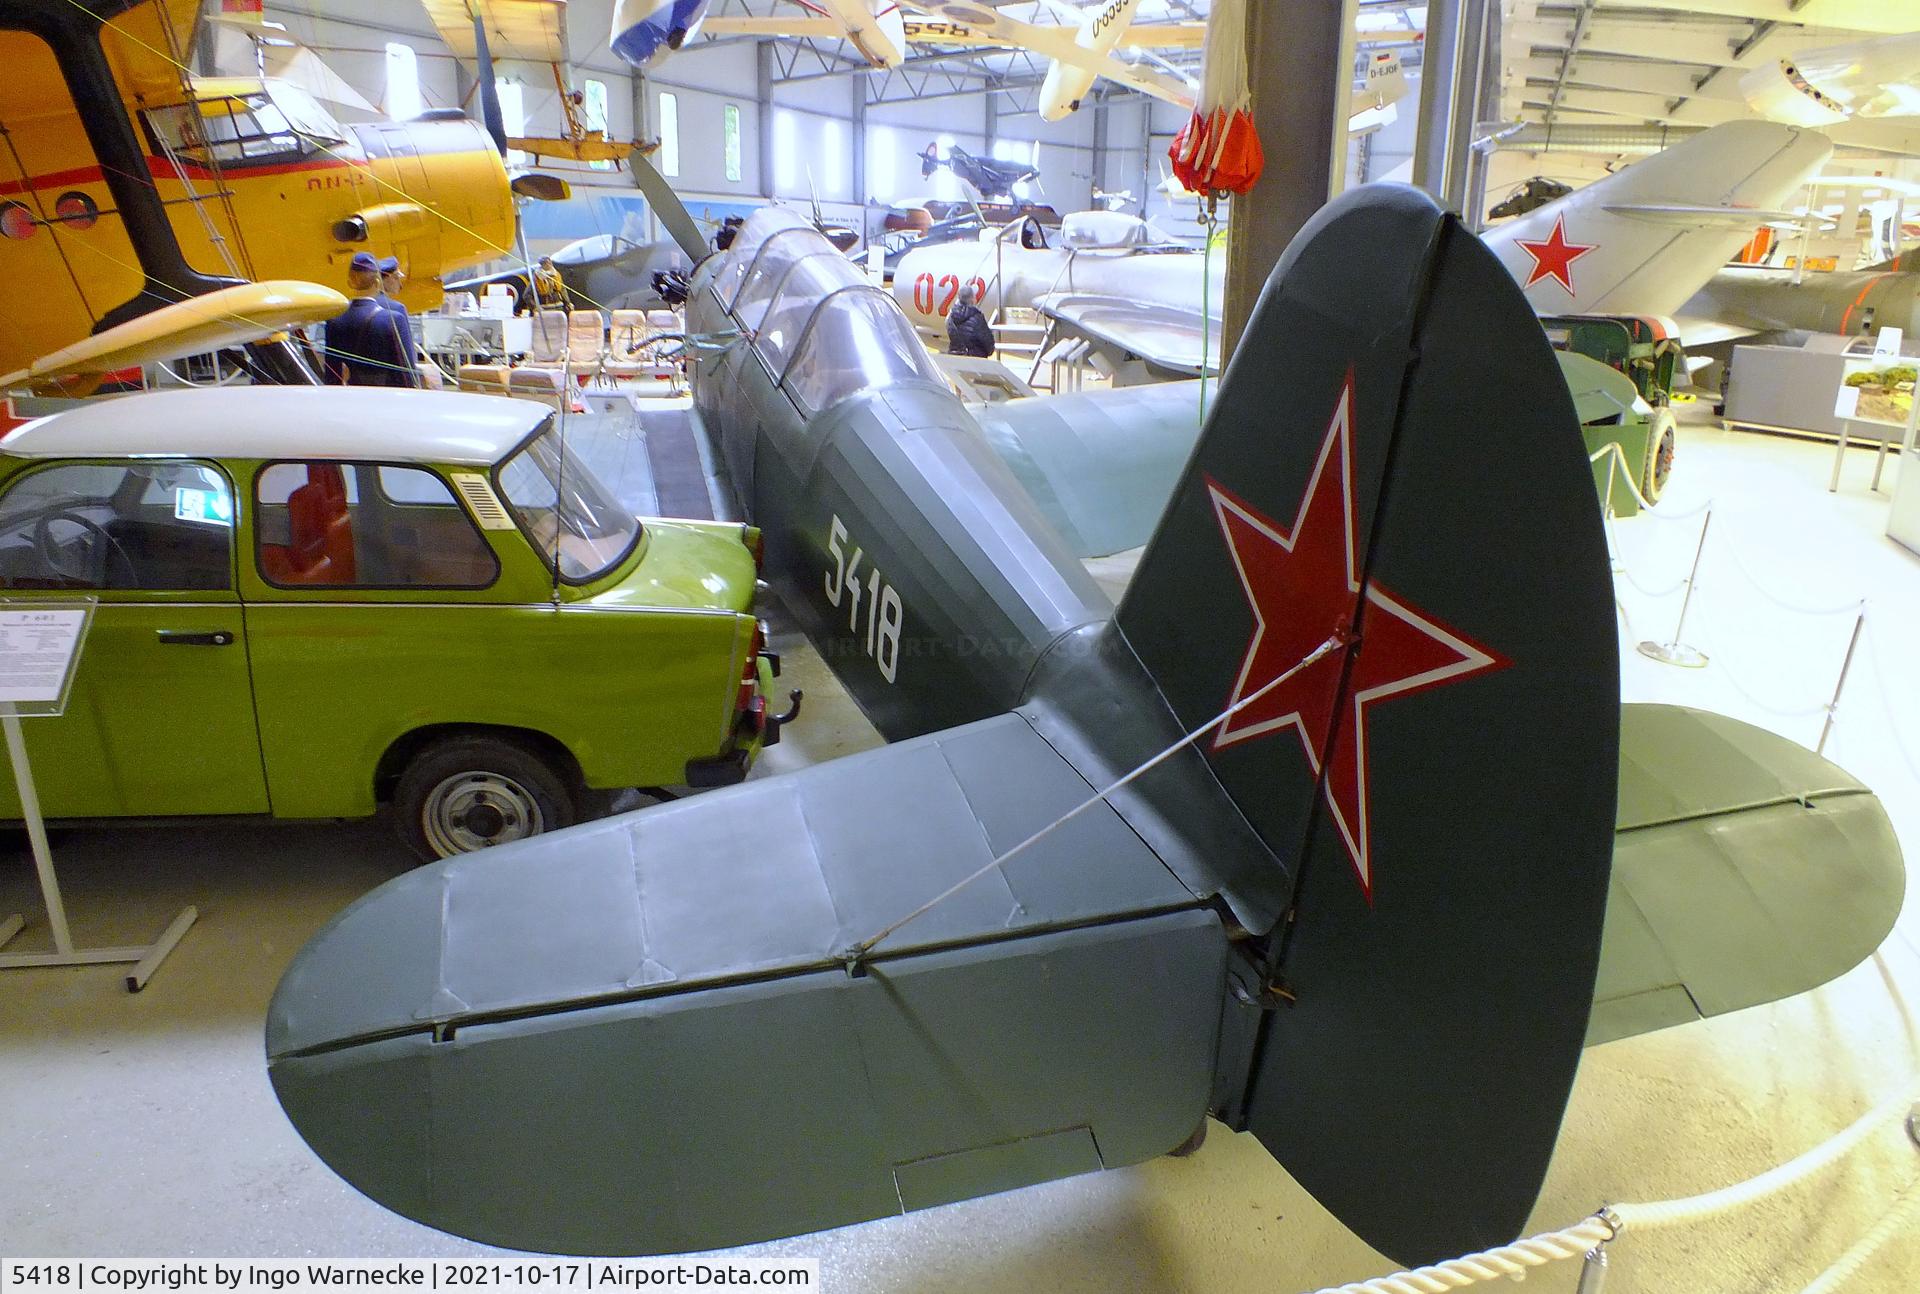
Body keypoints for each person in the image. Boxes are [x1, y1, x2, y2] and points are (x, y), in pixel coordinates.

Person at [321, 251, 415, 387]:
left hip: (353, 396)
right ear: (378, 283)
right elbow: (405, 372)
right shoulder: (393, 319)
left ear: (349, 282)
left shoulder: (334, 320)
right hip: (387, 398)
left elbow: (332, 374)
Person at [375, 255, 421, 388]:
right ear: (387, 278)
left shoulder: (350, 308)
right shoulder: (397, 309)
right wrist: (412, 383)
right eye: (396, 278)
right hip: (391, 382)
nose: (399, 284)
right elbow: (405, 354)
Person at [945, 282, 995, 358]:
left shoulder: (950, 316)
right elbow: (988, 343)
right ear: (972, 299)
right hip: (974, 359)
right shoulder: (977, 318)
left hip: (955, 357)